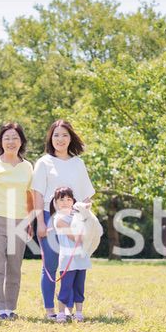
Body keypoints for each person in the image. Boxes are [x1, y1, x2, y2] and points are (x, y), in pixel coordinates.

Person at [31, 120, 95, 320]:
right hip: (50, 220)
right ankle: (50, 310)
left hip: (75, 221)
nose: (60, 139)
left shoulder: (78, 163)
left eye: (64, 135)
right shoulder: (44, 162)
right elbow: (37, 194)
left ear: (71, 138)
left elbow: (86, 195)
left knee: (74, 265)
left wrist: (85, 218)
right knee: (50, 265)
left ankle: (67, 308)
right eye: (56, 135)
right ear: (51, 138)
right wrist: (40, 222)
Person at [0, 122, 34, 321]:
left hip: (20, 221)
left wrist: (30, 221)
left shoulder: (28, 166)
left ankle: (11, 307)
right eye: (7, 138)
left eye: (15, 138)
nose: (11, 142)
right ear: (1, 141)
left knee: (14, 266)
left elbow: (29, 196)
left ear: (21, 141)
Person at [50, 187, 92, 323]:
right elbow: (76, 237)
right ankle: (61, 313)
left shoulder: (77, 216)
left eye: (68, 199)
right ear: (55, 202)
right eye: (61, 199)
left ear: (73, 201)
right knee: (66, 286)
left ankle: (78, 312)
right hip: (68, 259)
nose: (65, 202)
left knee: (79, 286)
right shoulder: (58, 219)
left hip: (81, 258)